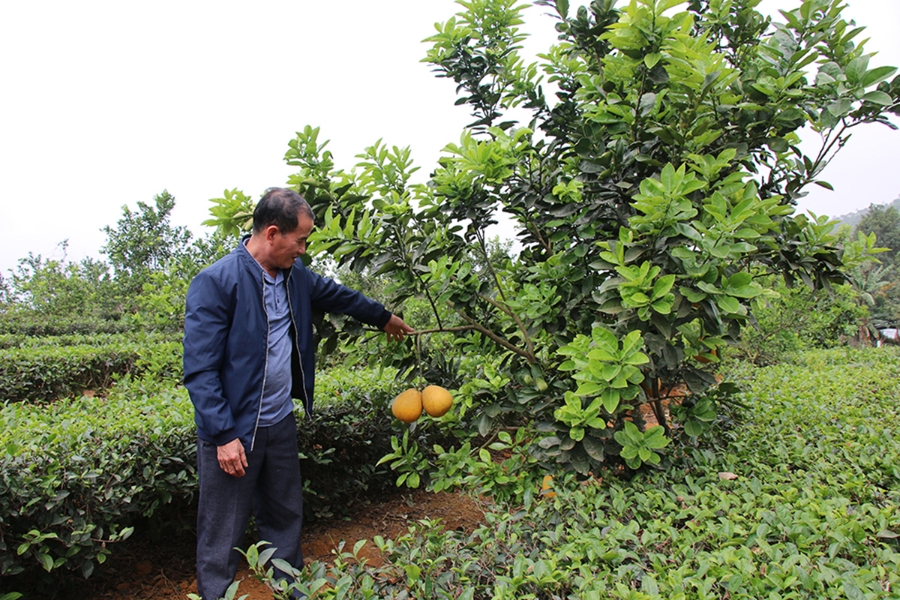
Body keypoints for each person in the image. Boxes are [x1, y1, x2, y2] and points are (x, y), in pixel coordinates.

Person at [183, 188, 414, 599]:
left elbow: (341, 296)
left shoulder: (295, 278)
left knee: (284, 516)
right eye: (301, 240)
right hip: (235, 432)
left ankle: (289, 591)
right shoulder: (217, 282)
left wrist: (384, 317)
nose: (304, 250)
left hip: (279, 422)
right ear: (272, 233)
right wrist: (222, 435)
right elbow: (200, 370)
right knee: (222, 530)